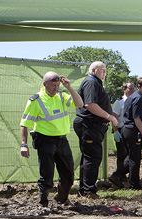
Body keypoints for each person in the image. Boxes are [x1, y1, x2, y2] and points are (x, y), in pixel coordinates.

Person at [20, 72, 83, 206]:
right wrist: (23, 144)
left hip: (61, 140)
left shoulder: (61, 95)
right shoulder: (36, 101)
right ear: (44, 84)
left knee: (68, 173)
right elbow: (25, 124)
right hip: (44, 140)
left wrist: (70, 88)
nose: (55, 88)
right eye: (53, 85)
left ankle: (61, 198)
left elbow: (79, 104)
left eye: (57, 85)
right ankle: (43, 203)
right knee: (46, 174)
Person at [74, 61, 118, 198]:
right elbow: (90, 104)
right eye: (102, 70)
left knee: (89, 158)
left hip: (92, 126)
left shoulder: (95, 83)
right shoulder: (91, 83)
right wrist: (109, 116)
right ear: (93, 70)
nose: (104, 73)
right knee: (92, 158)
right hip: (89, 125)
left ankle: (84, 189)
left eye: (105, 70)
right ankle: (88, 191)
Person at [110, 77, 142, 189]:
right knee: (134, 158)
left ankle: (118, 176)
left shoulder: (130, 98)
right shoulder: (138, 98)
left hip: (126, 129)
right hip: (133, 129)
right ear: (139, 86)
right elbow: (136, 117)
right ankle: (133, 183)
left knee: (132, 156)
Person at [111, 81, 135, 185]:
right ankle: (119, 177)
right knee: (122, 155)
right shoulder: (119, 103)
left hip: (129, 131)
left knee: (129, 154)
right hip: (121, 130)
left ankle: (125, 176)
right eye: (130, 88)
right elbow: (114, 118)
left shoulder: (133, 101)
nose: (132, 90)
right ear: (124, 89)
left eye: (133, 88)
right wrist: (116, 132)